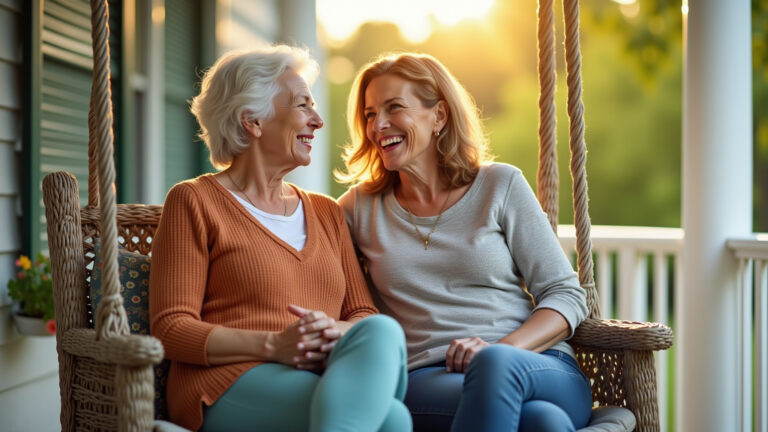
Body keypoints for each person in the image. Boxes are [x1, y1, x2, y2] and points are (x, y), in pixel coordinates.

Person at [149, 45, 410, 432]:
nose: (318, 120)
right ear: (252, 121)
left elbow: (361, 316)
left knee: (384, 332)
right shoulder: (195, 201)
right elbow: (171, 329)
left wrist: (321, 334)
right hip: (225, 383)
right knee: (391, 420)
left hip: (318, 374)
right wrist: (274, 345)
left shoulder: (327, 212)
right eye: (303, 105)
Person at [337, 52, 592, 432]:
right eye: (371, 114)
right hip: (429, 376)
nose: (379, 125)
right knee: (544, 423)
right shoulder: (358, 208)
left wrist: (498, 350)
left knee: (499, 370)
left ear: (438, 116)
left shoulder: (499, 185)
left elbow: (566, 295)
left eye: (394, 108)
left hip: (538, 363)